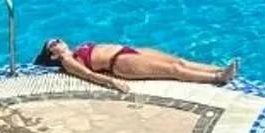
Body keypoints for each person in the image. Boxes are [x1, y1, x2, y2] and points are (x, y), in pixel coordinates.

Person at [35, 38, 237, 92]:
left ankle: (218, 69)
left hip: (128, 51)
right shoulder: (68, 61)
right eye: (53, 44)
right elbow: (89, 75)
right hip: (119, 63)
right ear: (52, 55)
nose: (59, 41)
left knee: (179, 61)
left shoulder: (77, 50)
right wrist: (112, 83)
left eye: (57, 39)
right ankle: (217, 78)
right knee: (173, 70)